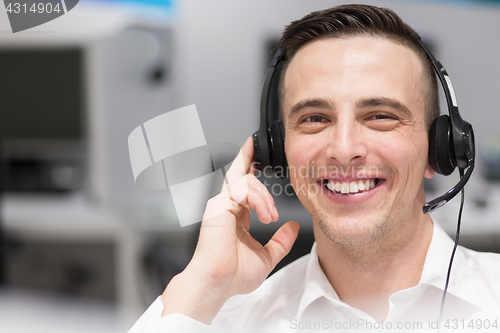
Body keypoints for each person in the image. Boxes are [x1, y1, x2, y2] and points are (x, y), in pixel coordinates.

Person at [129, 4, 500, 332]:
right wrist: (201, 284)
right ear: (277, 151)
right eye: (314, 118)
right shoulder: (226, 320)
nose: (343, 150)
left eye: (381, 116)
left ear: (439, 149)